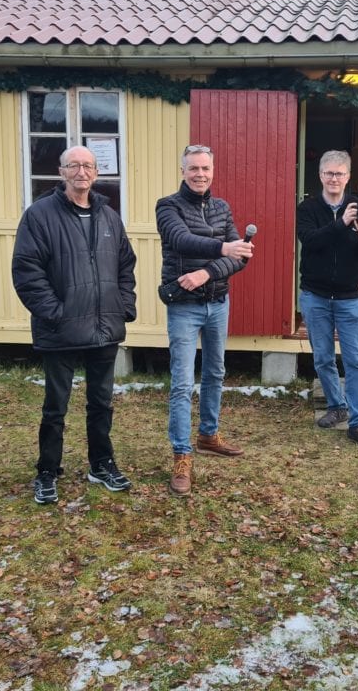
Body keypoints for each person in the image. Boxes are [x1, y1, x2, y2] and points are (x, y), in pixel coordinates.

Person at [12, 145, 137, 505]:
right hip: (60, 330)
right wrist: (54, 312)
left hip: (104, 327)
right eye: (73, 165)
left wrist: (123, 305)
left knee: (101, 403)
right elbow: (26, 270)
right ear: (61, 171)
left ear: (96, 173)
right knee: (56, 406)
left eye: (88, 165)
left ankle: (101, 464)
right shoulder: (39, 216)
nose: (81, 171)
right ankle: (47, 471)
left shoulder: (109, 216)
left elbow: (125, 265)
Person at [155, 144, 253, 496]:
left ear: (213, 171)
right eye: (193, 168)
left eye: (205, 169)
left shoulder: (221, 207)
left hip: (217, 302)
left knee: (215, 372)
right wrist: (223, 249)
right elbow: (180, 240)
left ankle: (208, 436)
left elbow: (240, 258)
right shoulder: (167, 206)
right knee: (182, 383)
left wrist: (206, 273)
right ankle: (181, 455)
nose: (200, 174)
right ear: (183, 170)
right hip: (184, 305)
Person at [297, 150, 358, 450]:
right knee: (322, 357)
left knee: (356, 361)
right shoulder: (307, 208)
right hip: (315, 296)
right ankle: (336, 406)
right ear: (320, 175)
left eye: (340, 174)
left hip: (349, 298)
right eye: (329, 173)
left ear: (348, 177)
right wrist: (341, 224)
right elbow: (311, 241)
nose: (334, 179)